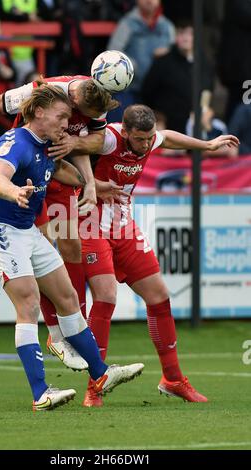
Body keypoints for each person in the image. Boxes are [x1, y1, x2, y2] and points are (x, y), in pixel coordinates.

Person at [0, 85, 144, 410]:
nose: (67, 124)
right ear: (38, 112)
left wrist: (90, 184)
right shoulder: (17, 143)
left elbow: (56, 170)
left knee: (67, 299)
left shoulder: (46, 144)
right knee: (29, 304)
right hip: (3, 232)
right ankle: (40, 394)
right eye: (62, 116)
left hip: (28, 233)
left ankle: (101, 374)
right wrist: (14, 193)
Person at [78, 104, 239, 407]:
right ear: (125, 131)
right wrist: (96, 185)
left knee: (159, 296)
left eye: (149, 139)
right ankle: (94, 386)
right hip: (90, 227)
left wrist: (207, 145)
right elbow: (70, 158)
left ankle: (173, 379)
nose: (146, 145)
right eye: (139, 140)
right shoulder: (107, 138)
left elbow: (169, 137)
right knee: (106, 297)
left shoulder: (151, 138)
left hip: (124, 228)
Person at [141, 19, 213, 133]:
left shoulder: (204, 63)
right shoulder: (163, 62)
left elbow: (207, 90)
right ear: (175, 37)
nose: (185, 38)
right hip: (168, 126)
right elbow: (147, 92)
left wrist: (204, 110)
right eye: (181, 33)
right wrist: (157, 117)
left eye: (190, 34)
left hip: (196, 124)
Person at [107, 0, 175, 121]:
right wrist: (133, 65)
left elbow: (176, 56)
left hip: (158, 93)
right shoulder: (127, 23)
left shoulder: (167, 26)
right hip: (131, 90)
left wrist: (167, 55)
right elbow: (113, 53)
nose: (149, 1)